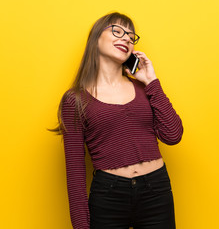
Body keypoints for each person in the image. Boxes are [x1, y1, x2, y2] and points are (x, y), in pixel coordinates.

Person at [50, 12, 183, 229]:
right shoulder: (75, 100)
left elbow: (173, 135)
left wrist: (152, 82)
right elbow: (75, 174)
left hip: (156, 191)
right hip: (108, 196)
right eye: (117, 31)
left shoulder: (143, 89)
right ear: (95, 38)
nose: (127, 39)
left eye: (131, 36)